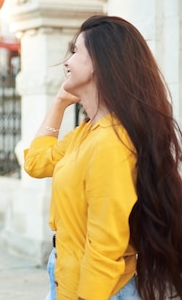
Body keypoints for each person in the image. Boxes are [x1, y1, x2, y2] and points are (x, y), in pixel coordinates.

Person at [24, 15, 182, 300]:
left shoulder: (110, 142)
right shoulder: (87, 133)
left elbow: (105, 245)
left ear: (99, 62)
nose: (66, 62)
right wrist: (59, 103)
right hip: (64, 276)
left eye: (75, 51)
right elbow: (36, 163)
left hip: (97, 290)